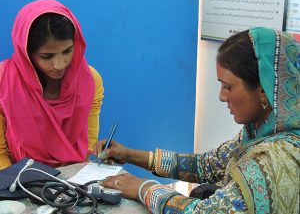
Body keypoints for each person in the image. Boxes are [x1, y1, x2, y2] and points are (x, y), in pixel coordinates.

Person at [96, 27, 299, 213]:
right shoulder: (257, 132)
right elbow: (205, 165)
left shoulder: (273, 160)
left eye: (228, 87)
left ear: (263, 89)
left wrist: (142, 187)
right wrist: (128, 154)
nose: (221, 96)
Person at [0, 0, 104, 169]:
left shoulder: (90, 80)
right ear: (26, 52)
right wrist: (22, 188)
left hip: (73, 181)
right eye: (47, 56)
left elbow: (88, 146)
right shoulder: (4, 81)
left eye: (67, 51)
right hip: (16, 181)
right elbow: (0, 154)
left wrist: (70, 184)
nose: (59, 64)